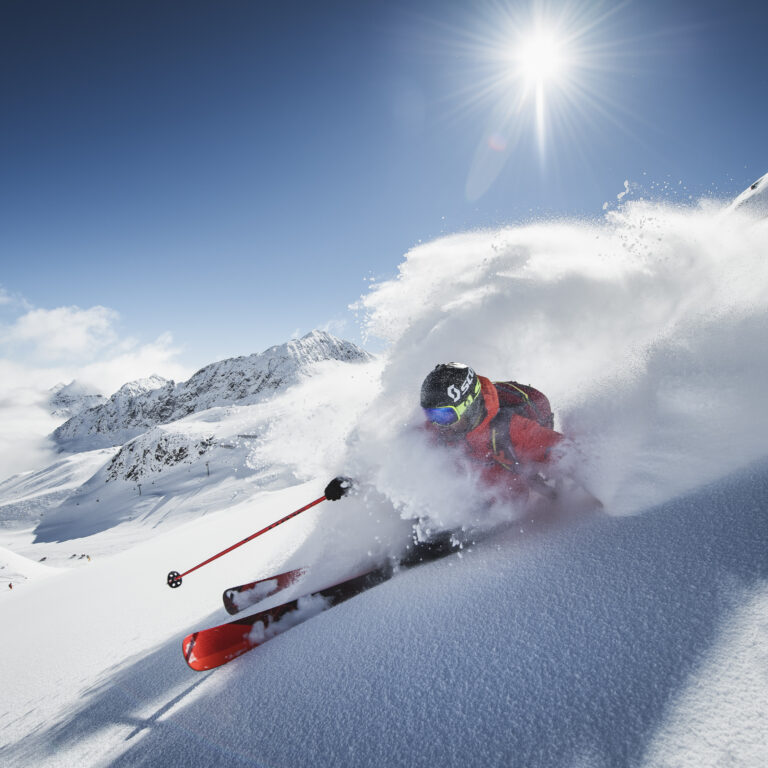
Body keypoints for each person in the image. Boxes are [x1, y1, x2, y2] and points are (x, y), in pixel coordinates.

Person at [325, 362, 572, 507]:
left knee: (473, 507)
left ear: (468, 405)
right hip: (471, 480)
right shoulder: (442, 427)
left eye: (444, 415)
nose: (437, 424)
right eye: (431, 415)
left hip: (506, 495)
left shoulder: (512, 429)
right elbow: (400, 459)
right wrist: (352, 480)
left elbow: (569, 454)